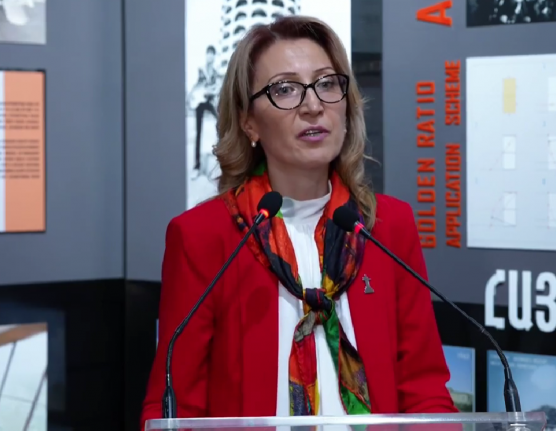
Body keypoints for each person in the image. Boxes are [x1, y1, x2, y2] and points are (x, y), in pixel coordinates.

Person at [141, 15, 457, 422]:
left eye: (326, 84)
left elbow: (425, 391)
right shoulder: (203, 236)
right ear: (248, 121)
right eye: (285, 89)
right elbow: (174, 405)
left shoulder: (387, 226)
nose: (313, 105)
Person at [187, 45, 222, 174]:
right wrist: (191, 95)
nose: (210, 56)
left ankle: (221, 156)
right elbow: (197, 85)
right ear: (206, 56)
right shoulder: (201, 70)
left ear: (214, 57)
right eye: (208, 54)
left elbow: (216, 88)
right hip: (200, 102)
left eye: (212, 54)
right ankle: (196, 166)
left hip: (209, 101)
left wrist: (212, 91)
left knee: (221, 122)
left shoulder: (215, 73)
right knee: (198, 133)